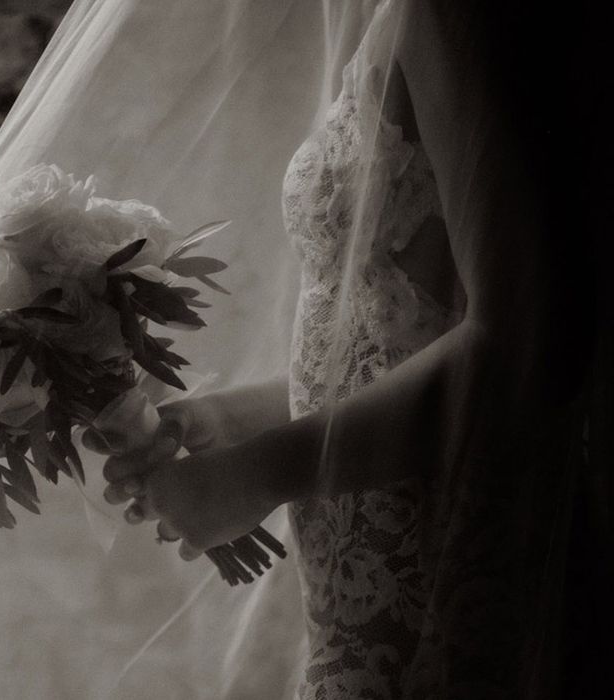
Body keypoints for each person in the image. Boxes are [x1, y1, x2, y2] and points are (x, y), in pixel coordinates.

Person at [88, 1, 598, 697]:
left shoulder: (453, 16)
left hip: (452, 560)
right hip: (368, 570)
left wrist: (260, 474)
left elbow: (531, 341)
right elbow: (404, 329)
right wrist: (234, 423)